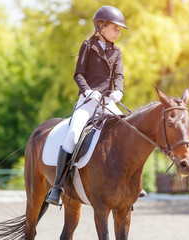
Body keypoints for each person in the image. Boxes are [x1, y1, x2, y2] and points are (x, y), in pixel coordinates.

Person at [46, 5, 146, 206]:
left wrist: (119, 90)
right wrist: (88, 91)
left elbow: (118, 75)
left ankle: (134, 184)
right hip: (87, 102)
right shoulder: (87, 46)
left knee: (130, 131)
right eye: (115, 28)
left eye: (119, 30)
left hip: (108, 103)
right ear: (101, 26)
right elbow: (78, 74)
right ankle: (57, 187)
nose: (118, 32)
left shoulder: (116, 51)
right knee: (73, 136)